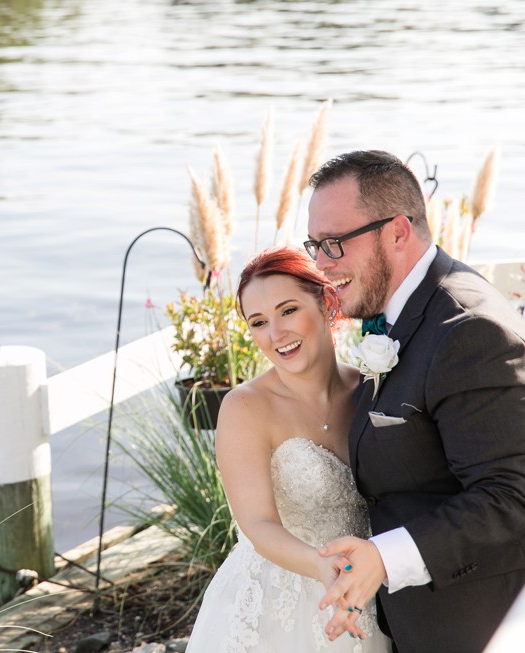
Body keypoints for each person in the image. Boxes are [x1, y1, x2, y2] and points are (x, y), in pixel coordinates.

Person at [305, 150, 525, 653]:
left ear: (398, 232)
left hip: (474, 626)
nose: (321, 264)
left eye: (335, 243)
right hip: (412, 620)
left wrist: (385, 558)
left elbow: (512, 496)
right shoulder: (395, 311)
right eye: (315, 245)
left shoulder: (470, 332)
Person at [185, 246, 392, 652]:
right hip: (277, 602)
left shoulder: (370, 390)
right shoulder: (245, 407)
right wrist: (320, 565)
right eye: (259, 322)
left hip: (367, 591)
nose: (276, 334)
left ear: (328, 302)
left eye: (288, 311)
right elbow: (258, 524)